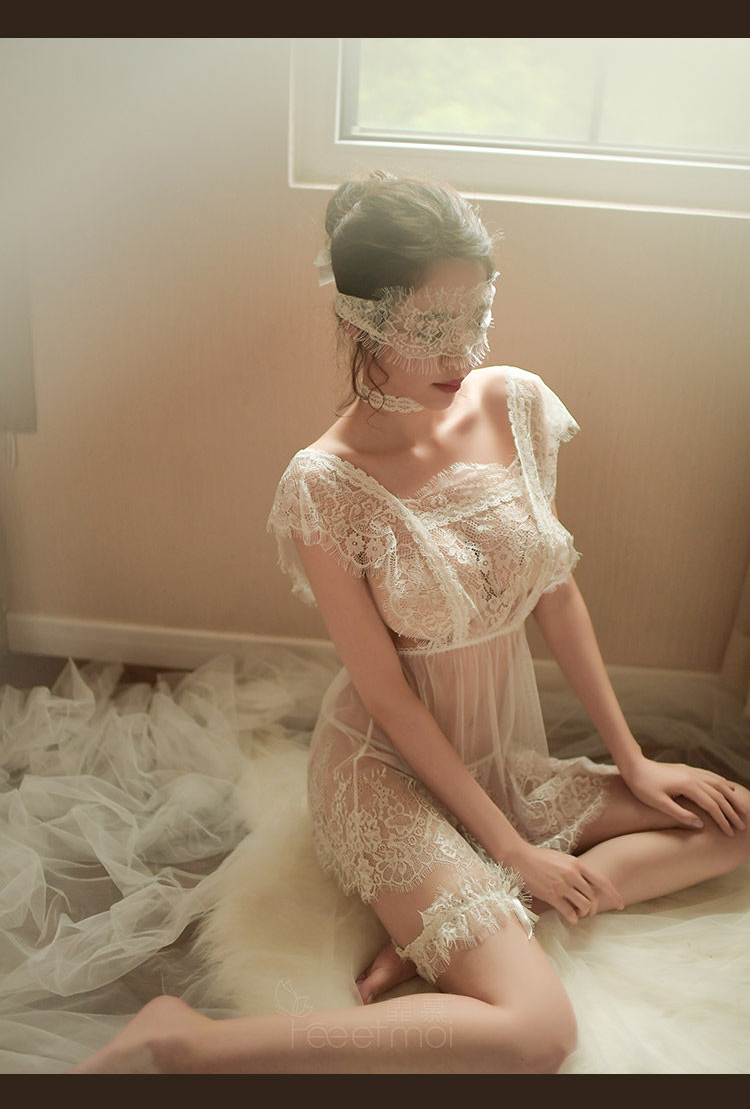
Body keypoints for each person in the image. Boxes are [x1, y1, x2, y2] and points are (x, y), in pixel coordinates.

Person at [71, 174, 749, 1075]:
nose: (461, 350)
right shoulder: (324, 483)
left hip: (498, 762)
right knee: (537, 1032)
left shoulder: (515, 404)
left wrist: (633, 763)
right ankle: (187, 1040)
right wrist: (512, 848)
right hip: (384, 773)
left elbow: (556, 593)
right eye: (432, 327)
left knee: (731, 821)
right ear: (362, 320)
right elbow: (388, 697)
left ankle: (473, 917)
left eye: (477, 315)